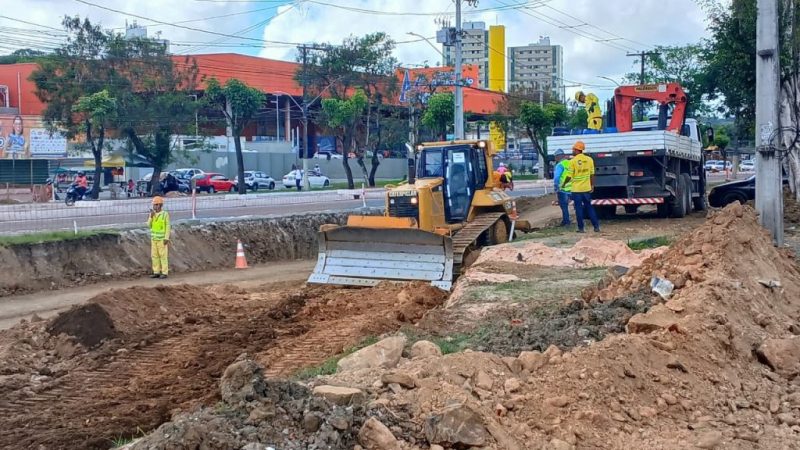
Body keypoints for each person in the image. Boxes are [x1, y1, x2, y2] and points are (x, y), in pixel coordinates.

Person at [561, 140, 600, 233]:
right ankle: (596, 227)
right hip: (586, 189)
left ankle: (581, 228)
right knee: (589, 207)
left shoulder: (573, 161)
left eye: (573, 149)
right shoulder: (589, 160)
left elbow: (569, 176)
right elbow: (592, 174)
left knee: (578, 209)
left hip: (576, 190)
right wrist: (592, 185)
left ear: (577, 150)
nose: (572, 151)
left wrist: (563, 184)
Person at [148, 196, 170, 279]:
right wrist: (151, 217)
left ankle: (164, 272)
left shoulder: (165, 214)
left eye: (156, 205)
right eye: (154, 205)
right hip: (154, 239)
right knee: (154, 256)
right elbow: (148, 225)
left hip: (162, 240)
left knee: (163, 256)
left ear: (160, 205)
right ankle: (156, 272)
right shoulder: (152, 214)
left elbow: (167, 226)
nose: (154, 206)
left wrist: (166, 238)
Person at [553, 149, 572, 226]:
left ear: (558, 157)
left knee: (564, 206)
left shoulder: (560, 165)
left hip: (563, 189)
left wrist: (556, 187)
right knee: (577, 205)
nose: (555, 159)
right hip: (573, 188)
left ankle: (566, 221)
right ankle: (579, 220)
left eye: (555, 157)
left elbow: (557, 177)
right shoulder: (570, 163)